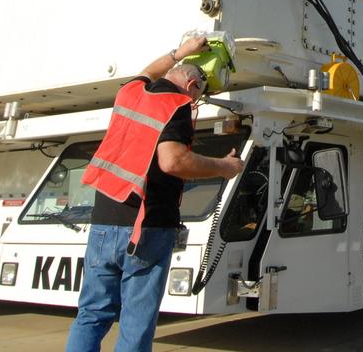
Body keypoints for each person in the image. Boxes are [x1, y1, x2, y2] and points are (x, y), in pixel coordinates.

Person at [66, 36, 245, 352]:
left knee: (92, 315)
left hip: (103, 224)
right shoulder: (175, 106)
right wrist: (223, 166)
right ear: (190, 84)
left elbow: (149, 71)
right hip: (145, 229)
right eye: (199, 95)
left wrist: (180, 52)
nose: (196, 102)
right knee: (136, 324)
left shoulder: (129, 93)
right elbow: (173, 160)